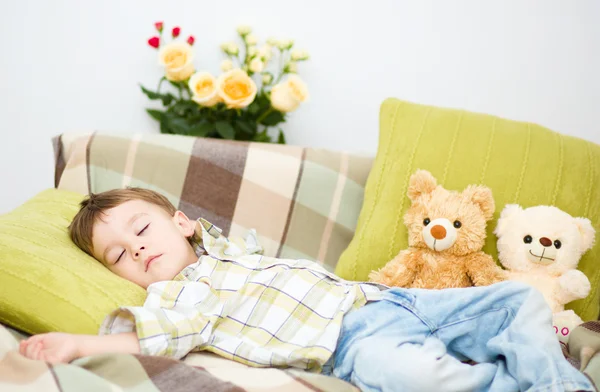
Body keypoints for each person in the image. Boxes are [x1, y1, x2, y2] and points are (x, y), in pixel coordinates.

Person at [18, 188, 595, 392]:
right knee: (413, 378)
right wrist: (77, 345)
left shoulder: (225, 249)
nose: (137, 248)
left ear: (183, 221)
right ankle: (504, 381)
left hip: (388, 299)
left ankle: (555, 383)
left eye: (141, 229)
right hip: (350, 342)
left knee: (518, 300)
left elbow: (211, 239)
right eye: (119, 255)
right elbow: (161, 336)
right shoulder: (178, 296)